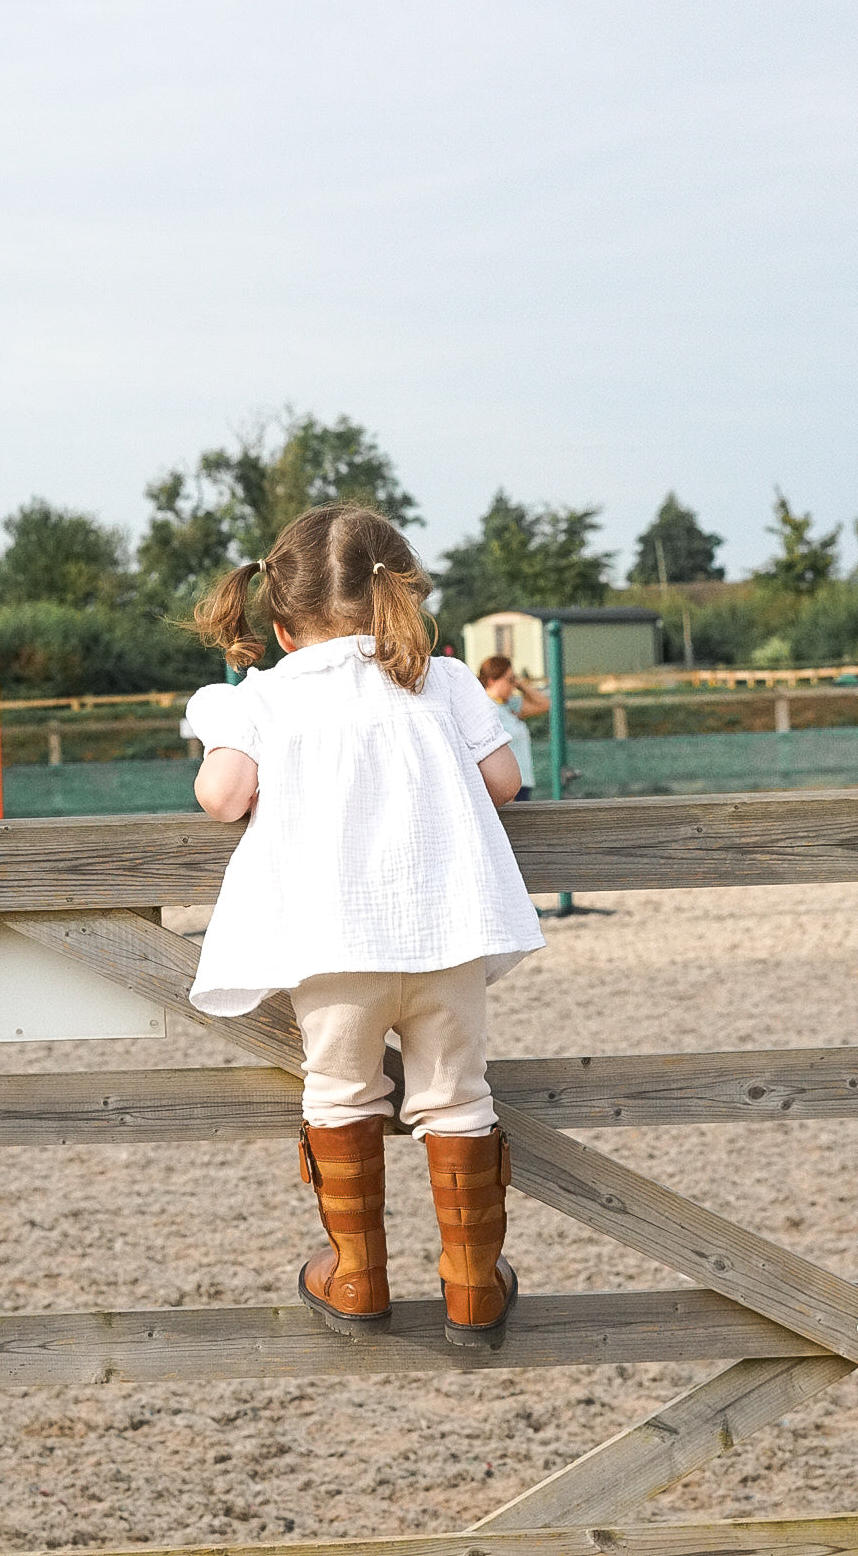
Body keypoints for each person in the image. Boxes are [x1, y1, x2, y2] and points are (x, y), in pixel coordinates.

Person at [185, 504, 544, 1349]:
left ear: (277, 624)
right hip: (450, 933)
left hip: (335, 944)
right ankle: (473, 1292)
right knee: (458, 1100)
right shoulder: (446, 678)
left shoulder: (264, 697)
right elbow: (502, 783)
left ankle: (357, 1278)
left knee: (341, 1093)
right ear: (400, 599)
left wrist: (230, 735)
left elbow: (224, 798)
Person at [478, 656, 550, 800]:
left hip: (523, 783)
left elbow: (544, 704)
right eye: (509, 680)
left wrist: (520, 684)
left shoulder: (509, 705)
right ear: (492, 680)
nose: (512, 685)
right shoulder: (484, 707)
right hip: (505, 786)